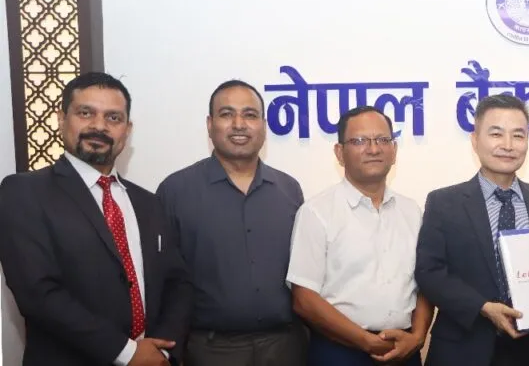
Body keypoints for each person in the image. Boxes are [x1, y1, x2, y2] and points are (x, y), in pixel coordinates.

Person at [0, 72, 192, 366]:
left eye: (113, 118)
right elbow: (38, 294)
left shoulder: (148, 202)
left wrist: (162, 351)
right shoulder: (23, 192)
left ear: (127, 130)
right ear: (61, 119)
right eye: (86, 113)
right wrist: (127, 353)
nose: (99, 126)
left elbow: (177, 283)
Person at [156, 80, 307, 365]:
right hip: (209, 349)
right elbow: (162, 277)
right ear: (210, 124)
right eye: (227, 114)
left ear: (263, 125)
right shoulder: (175, 191)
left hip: (285, 347)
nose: (239, 124)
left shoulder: (289, 189)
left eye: (250, 115)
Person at [416, 94, 529, 366]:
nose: (508, 145)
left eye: (518, 136)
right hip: (464, 349)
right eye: (496, 134)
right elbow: (429, 272)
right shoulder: (444, 202)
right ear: (475, 140)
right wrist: (482, 308)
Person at [288, 106, 433, 366]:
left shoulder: (412, 212)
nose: (373, 149)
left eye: (382, 140)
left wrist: (418, 336)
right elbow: (304, 299)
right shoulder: (316, 212)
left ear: (394, 150)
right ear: (339, 153)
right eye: (359, 141)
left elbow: (427, 282)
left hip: (404, 350)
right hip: (339, 352)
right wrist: (366, 341)